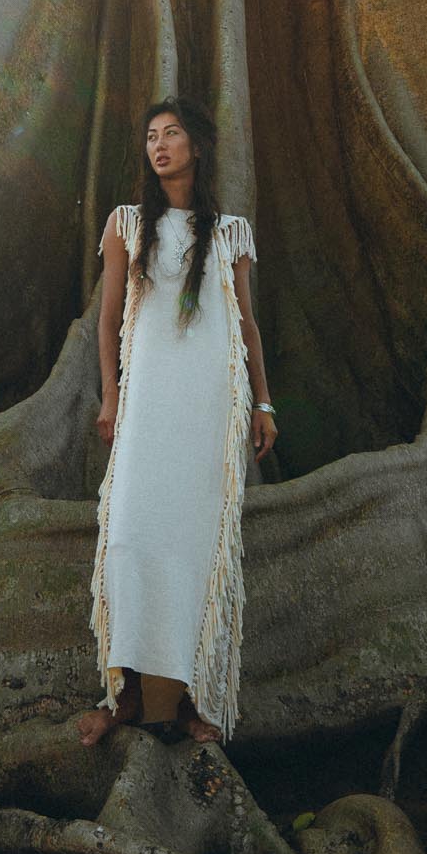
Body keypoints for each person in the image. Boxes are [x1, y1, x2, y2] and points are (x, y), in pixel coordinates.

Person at [77, 95, 276, 748]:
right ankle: (125, 693)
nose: (159, 145)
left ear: (197, 145)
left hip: (208, 408)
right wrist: (111, 396)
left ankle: (190, 700)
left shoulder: (230, 233)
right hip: (146, 403)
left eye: (171, 133)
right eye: (151, 137)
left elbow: (246, 325)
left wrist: (263, 402)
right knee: (130, 537)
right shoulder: (128, 224)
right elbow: (109, 319)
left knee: (194, 547)